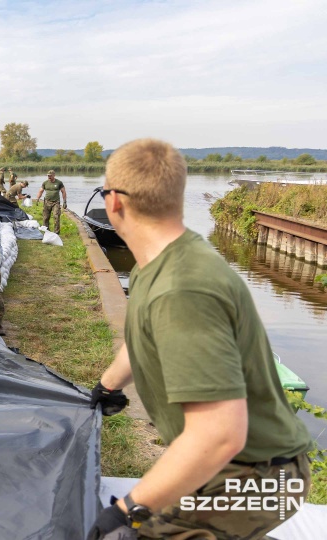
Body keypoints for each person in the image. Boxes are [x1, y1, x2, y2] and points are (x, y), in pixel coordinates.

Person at [86, 139, 312, 540]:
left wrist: (126, 511)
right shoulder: (158, 264)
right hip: (240, 468)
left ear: (115, 203)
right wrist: (107, 385)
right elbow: (143, 338)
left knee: (142, 532)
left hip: (258, 480)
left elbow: (218, 435)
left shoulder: (181, 290)